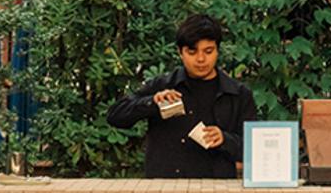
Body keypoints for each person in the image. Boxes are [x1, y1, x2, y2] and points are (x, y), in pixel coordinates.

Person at [107, 13, 257, 179]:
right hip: (165, 189)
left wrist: (225, 139)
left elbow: (255, 149)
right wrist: (152, 103)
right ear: (180, 52)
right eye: (192, 52)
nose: (201, 59)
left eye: (208, 51)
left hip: (215, 192)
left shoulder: (238, 94)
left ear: (217, 51)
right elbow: (115, 116)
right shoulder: (163, 86)